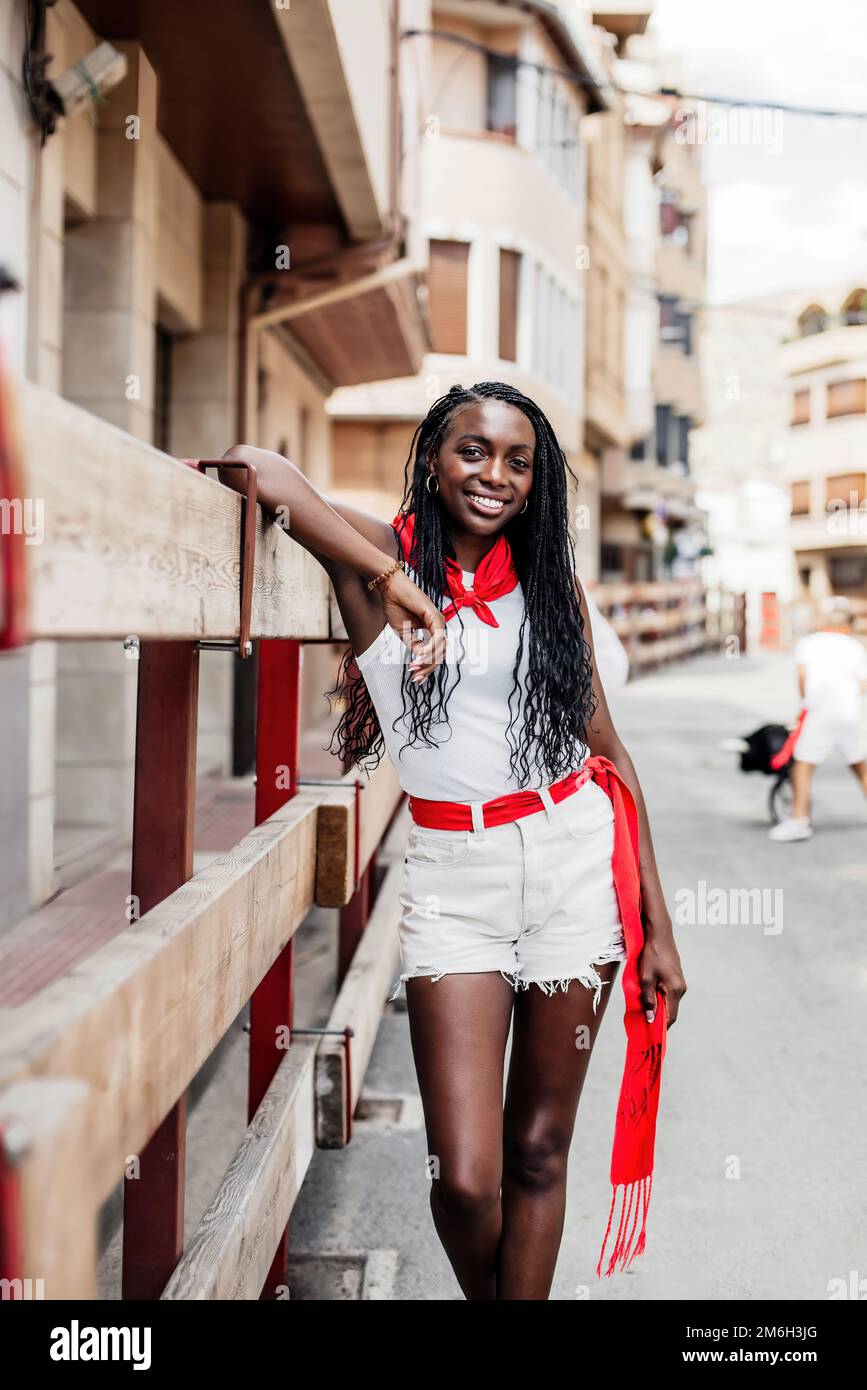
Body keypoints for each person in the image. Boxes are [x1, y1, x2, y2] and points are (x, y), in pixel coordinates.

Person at [219, 382, 686, 1300]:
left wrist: (657, 928)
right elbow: (255, 470)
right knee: (467, 1179)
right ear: (433, 457)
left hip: (572, 868)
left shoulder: (554, 590)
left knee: (539, 1150)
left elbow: (608, 754)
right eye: (472, 451)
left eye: (518, 461)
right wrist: (393, 582)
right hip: (453, 883)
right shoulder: (376, 558)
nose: (494, 476)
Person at [770, 603, 867, 842]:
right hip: (848, 712)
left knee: (803, 765)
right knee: (860, 765)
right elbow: (863, 683)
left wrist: (804, 702)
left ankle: (799, 820)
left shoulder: (809, 643)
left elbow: (802, 676)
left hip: (819, 712)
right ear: (846, 625)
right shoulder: (855, 647)